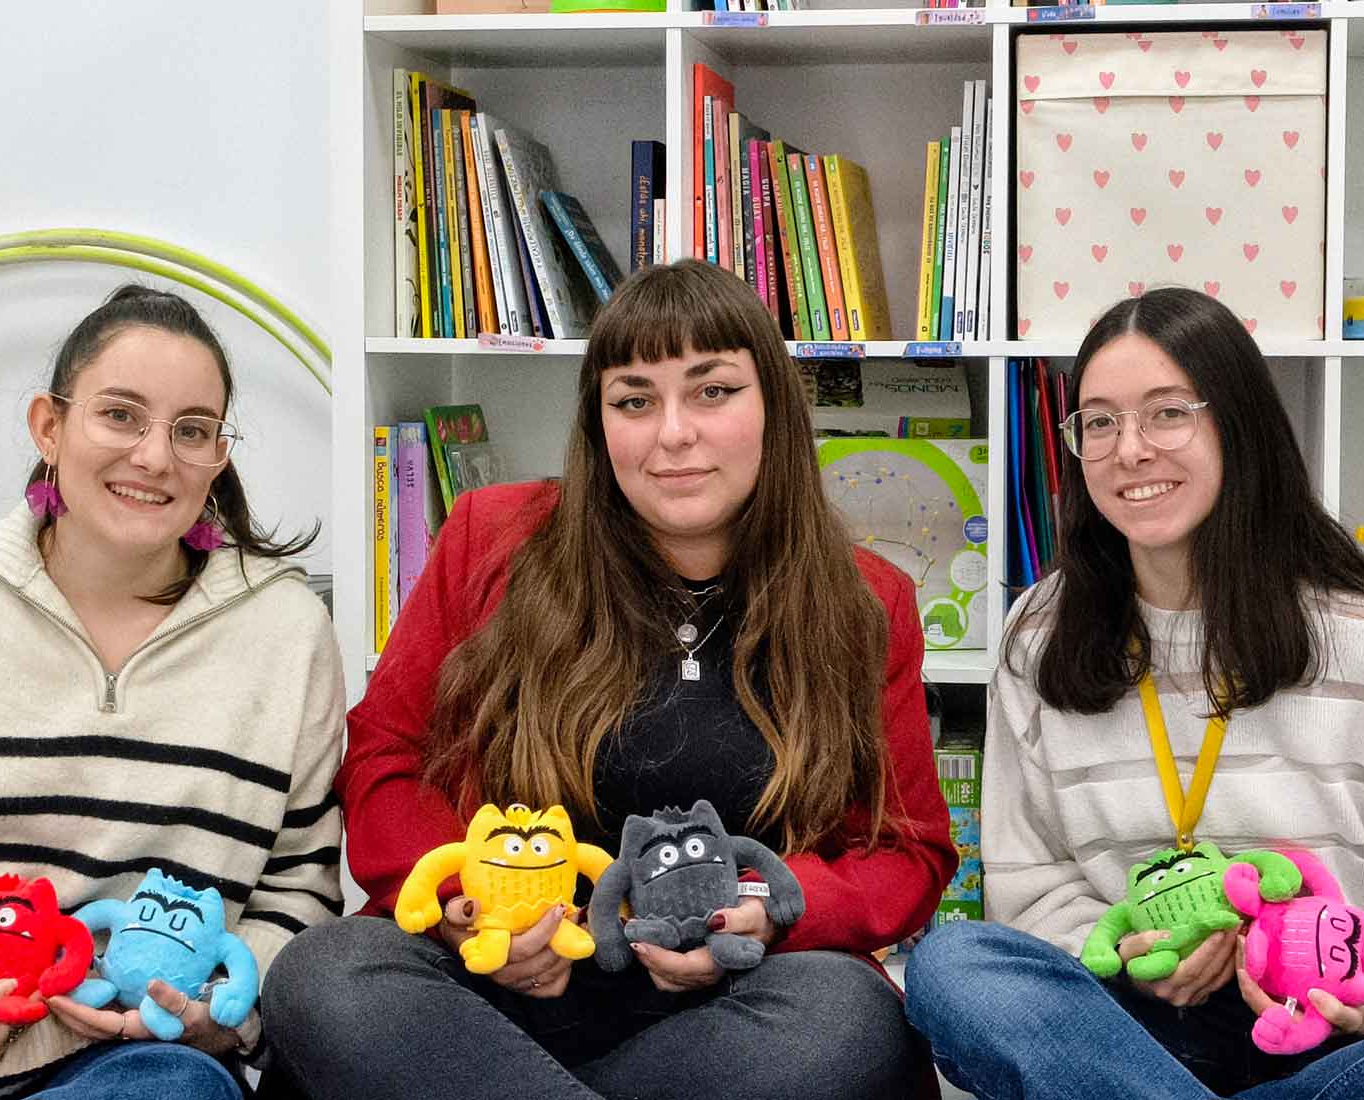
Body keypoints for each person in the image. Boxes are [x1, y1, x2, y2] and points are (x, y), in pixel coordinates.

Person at [262, 259, 957, 1099]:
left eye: (713, 391)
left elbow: (908, 847)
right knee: (325, 970)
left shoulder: (866, 599)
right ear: (599, 425)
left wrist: (771, 909)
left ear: (774, 406)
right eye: (634, 400)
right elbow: (387, 755)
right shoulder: (492, 539)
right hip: (489, 997)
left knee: (850, 1018)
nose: (673, 432)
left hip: (729, 1005)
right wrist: (464, 904)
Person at [904, 287, 1364, 1098]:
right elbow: (1033, 891)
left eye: (1168, 413)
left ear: (1238, 423)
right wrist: (1130, 957)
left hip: (1336, 1039)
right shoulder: (1040, 635)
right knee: (954, 964)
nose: (1129, 449)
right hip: (1125, 1032)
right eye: (1098, 421)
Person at [0, 285, 345, 1098]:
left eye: (193, 431)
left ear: (219, 456)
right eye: (121, 415)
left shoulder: (287, 630)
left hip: (142, 1061)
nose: (155, 458)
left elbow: (301, 881)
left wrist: (217, 1015)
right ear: (49, 426)